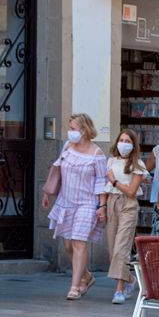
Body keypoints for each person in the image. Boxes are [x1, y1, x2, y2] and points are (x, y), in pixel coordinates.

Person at [42, 113, 107, 301]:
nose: (69, 132)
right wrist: (47, 192)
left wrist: (101, 206)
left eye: (72, 129)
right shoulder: (67, 147)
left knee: (79, 242)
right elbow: (57, 169)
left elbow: (101, 181)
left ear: (84, 130)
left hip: (87, 203)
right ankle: (86, 275)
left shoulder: (97, 154)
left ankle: (75, 286)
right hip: (66, 201)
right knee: (68, 245)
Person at [105, 129, 149, 305]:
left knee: (120, 250)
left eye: (127, 141)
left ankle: (119, 290)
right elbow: (104, 186)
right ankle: (130, 279)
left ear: (133, 145)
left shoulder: (137, 164)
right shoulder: (111, 161)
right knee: (111, 250)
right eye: (121, 140)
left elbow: (131, 191)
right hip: (111, 202)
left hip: (128, 206)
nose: (123, 144)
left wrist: (114, 181)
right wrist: (101, 206)